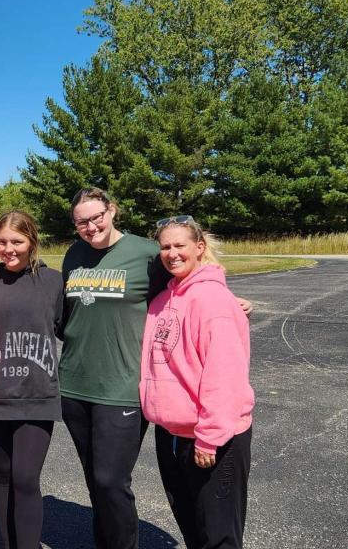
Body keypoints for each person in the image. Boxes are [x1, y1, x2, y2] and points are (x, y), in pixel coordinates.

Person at [61, 189, 252, 549]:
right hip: (83, 387)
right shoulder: (75, 256)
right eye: (81, 221)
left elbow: (193, 285)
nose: (91, 226)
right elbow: (176, 290)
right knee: (100, 484)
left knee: (111, 481)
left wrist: (227, 301)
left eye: (97, 216)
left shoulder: (146, 254)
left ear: (112, 211)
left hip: (125, 389)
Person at [142, 216, 254, 549]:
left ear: (199, 247)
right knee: (192, 526)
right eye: (165, 247)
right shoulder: (160, 301)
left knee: (219, 534)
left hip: (211, 437)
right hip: (171, 433)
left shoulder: (213, 300)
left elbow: (225, 375)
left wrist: (209, 438)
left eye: (180, 245)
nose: (172, 253)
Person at [0, 211, 64, 549]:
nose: (8, 249)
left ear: (32, 242)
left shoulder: (53, 282)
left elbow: (69, 328)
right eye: (2, 241)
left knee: (25, 478)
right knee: (3, 475)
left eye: (17, 241)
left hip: (38, 395)